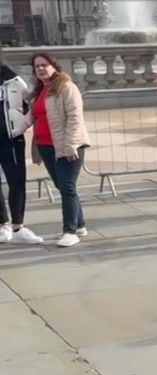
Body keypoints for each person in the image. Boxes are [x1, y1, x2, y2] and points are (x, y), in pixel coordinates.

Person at [30, 53, 90, 248]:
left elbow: (75, 118)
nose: (40, 69)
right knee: (63, 186)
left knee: (67, 187)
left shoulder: (66, 87)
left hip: (68, 146)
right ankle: (79, 224)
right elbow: (33, 117)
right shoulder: (40, 91)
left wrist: (71, 145)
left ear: (54, 66)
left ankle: (70, 231)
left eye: (44, 65)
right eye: (37, 66)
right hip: (46, 146)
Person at [0, 47, 42, 245]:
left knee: (16, 181)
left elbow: (31, 105)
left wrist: (22, 126)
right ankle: (2, 224)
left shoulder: (14, 80)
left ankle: (18, 226)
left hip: (10, 139)